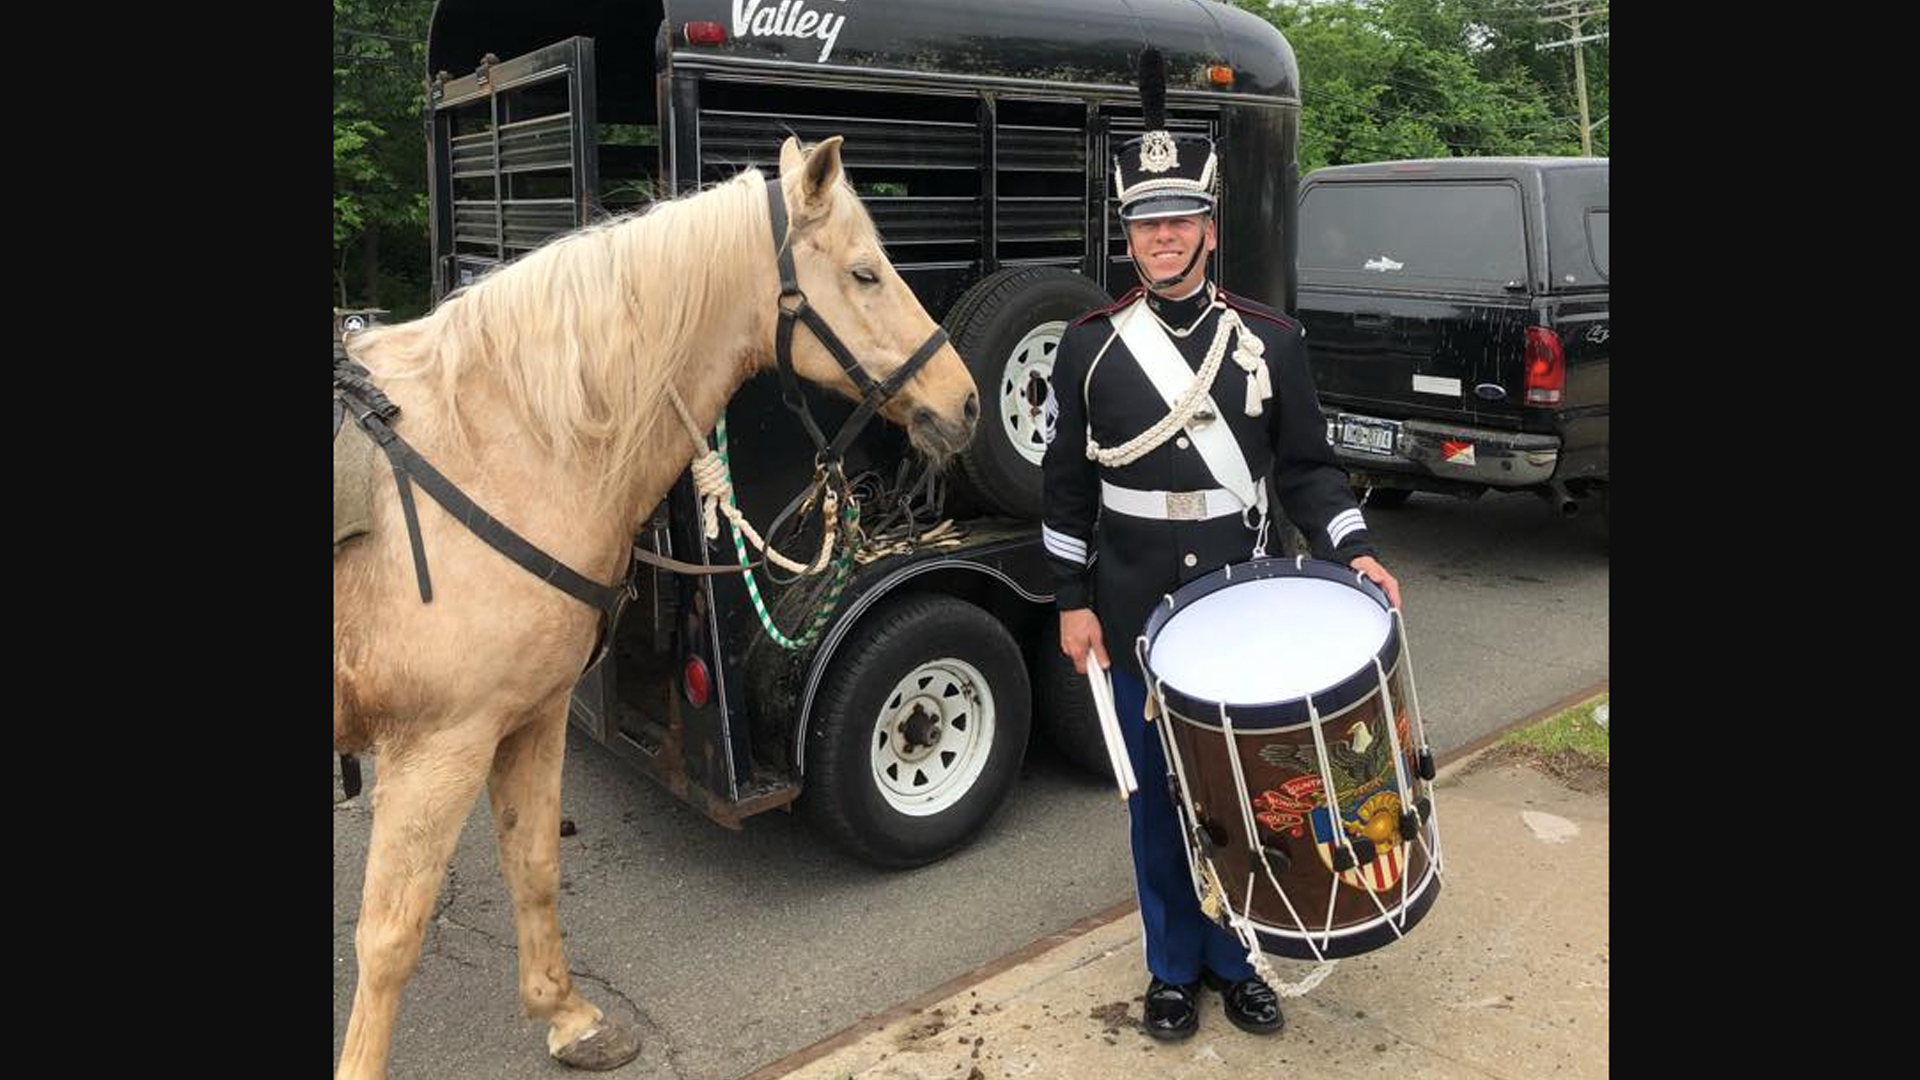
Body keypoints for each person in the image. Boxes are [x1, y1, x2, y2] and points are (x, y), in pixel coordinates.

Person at [1039, 48, 1401, 1042]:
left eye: (1177, 221)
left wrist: (1354, 547)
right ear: (1131, 235)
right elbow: (1065, 488)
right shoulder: (1090, 346)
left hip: (1245, 610)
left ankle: (1240, 954)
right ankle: (1170, 966)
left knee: (1247, 802)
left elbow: (1310, 472)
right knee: (1153, 801)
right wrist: (1071, 602)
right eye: (1144, 223)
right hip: (1127, 611)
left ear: (1208, 228)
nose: (1160, 238)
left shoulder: (1270, 342)